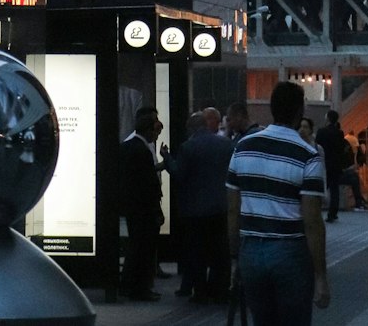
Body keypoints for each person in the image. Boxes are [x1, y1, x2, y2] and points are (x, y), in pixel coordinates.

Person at [227, 79, 329, 325]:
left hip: (251, 248)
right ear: (299, 112)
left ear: (272, 109)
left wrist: (235, 258)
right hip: (290, 252)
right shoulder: (308, 156)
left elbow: (232, 210)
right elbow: (313, 222)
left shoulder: (242, 147)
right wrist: (321, 275)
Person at [170, 106, 231, 302]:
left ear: (191, 128)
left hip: (195, 211)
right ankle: (219, 289)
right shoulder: (226, 145)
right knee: (219, 252)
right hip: (220, 207)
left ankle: (201, 292)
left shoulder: (188, 147)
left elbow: (179, 174)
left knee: (197, 253)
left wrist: (167, 160)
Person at [118, 106, 165, 300]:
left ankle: (129, 285)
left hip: (133, 206)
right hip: (145, 208)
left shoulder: (127, 147)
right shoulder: (142, 150)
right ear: (148, 130)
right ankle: (140, 288)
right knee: (144, 249)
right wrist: (156, 209)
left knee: (135, 247)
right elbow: (148, 184)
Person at [314, 110, 346, 223]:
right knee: (334, 190)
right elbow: (342, 149)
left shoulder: (321, 132)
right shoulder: (339, 133)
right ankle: (333, 213)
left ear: (327, 118)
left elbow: (317, 146)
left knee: (322, 187)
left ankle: (316, 210)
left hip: (324, 163)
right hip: (336, 164)